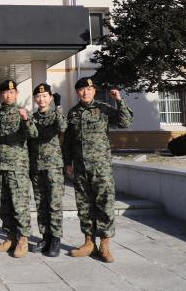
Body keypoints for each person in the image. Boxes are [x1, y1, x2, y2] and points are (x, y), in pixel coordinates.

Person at [63, 77, 133, 263]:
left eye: (89, 89)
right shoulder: (73, 113)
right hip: (80, 167)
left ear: (94, 91)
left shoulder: (103, 109)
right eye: (81, 89)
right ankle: (88, 242)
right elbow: (68, 141)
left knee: (104, 204)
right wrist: (67, 162)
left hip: (100, 167)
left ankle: (104, 245)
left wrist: (119, 100)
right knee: (84, 206)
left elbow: (125, 122)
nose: (85, 92)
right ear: (77, 92)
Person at [0, 80, 37, 258]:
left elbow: (33, 134)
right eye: (5, 92)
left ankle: (23, 239)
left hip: (18, 166)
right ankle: (10, 237)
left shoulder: (23, 112)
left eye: (11, 92)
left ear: (16, 93)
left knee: (20, 205)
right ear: (1, 94)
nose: (8, 95)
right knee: (3, 204)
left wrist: (25, 119)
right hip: (2, 166)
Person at [29, 83, 67, 257]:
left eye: (45, 96)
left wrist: (59, 107)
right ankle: (45, 237)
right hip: (37, 167)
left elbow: (62, 127)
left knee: (54, 204)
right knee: (41, 204)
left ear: (50, 97)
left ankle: (56, 240)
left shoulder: (55, 115)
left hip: (53, 166)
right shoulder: (33, 117)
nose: (41, 99)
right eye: (38, 96)